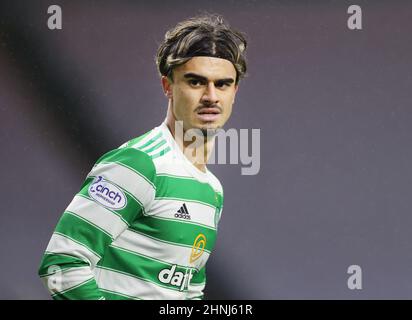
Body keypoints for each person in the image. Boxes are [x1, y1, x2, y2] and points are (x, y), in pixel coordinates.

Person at [38, 13, 247, 300]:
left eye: (222, 84)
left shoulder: (212, 190)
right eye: (196, 82)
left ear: (234, 91)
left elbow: (187, 292)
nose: (211, 96)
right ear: (168, 86)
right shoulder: (140, 163)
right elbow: (62, 265)